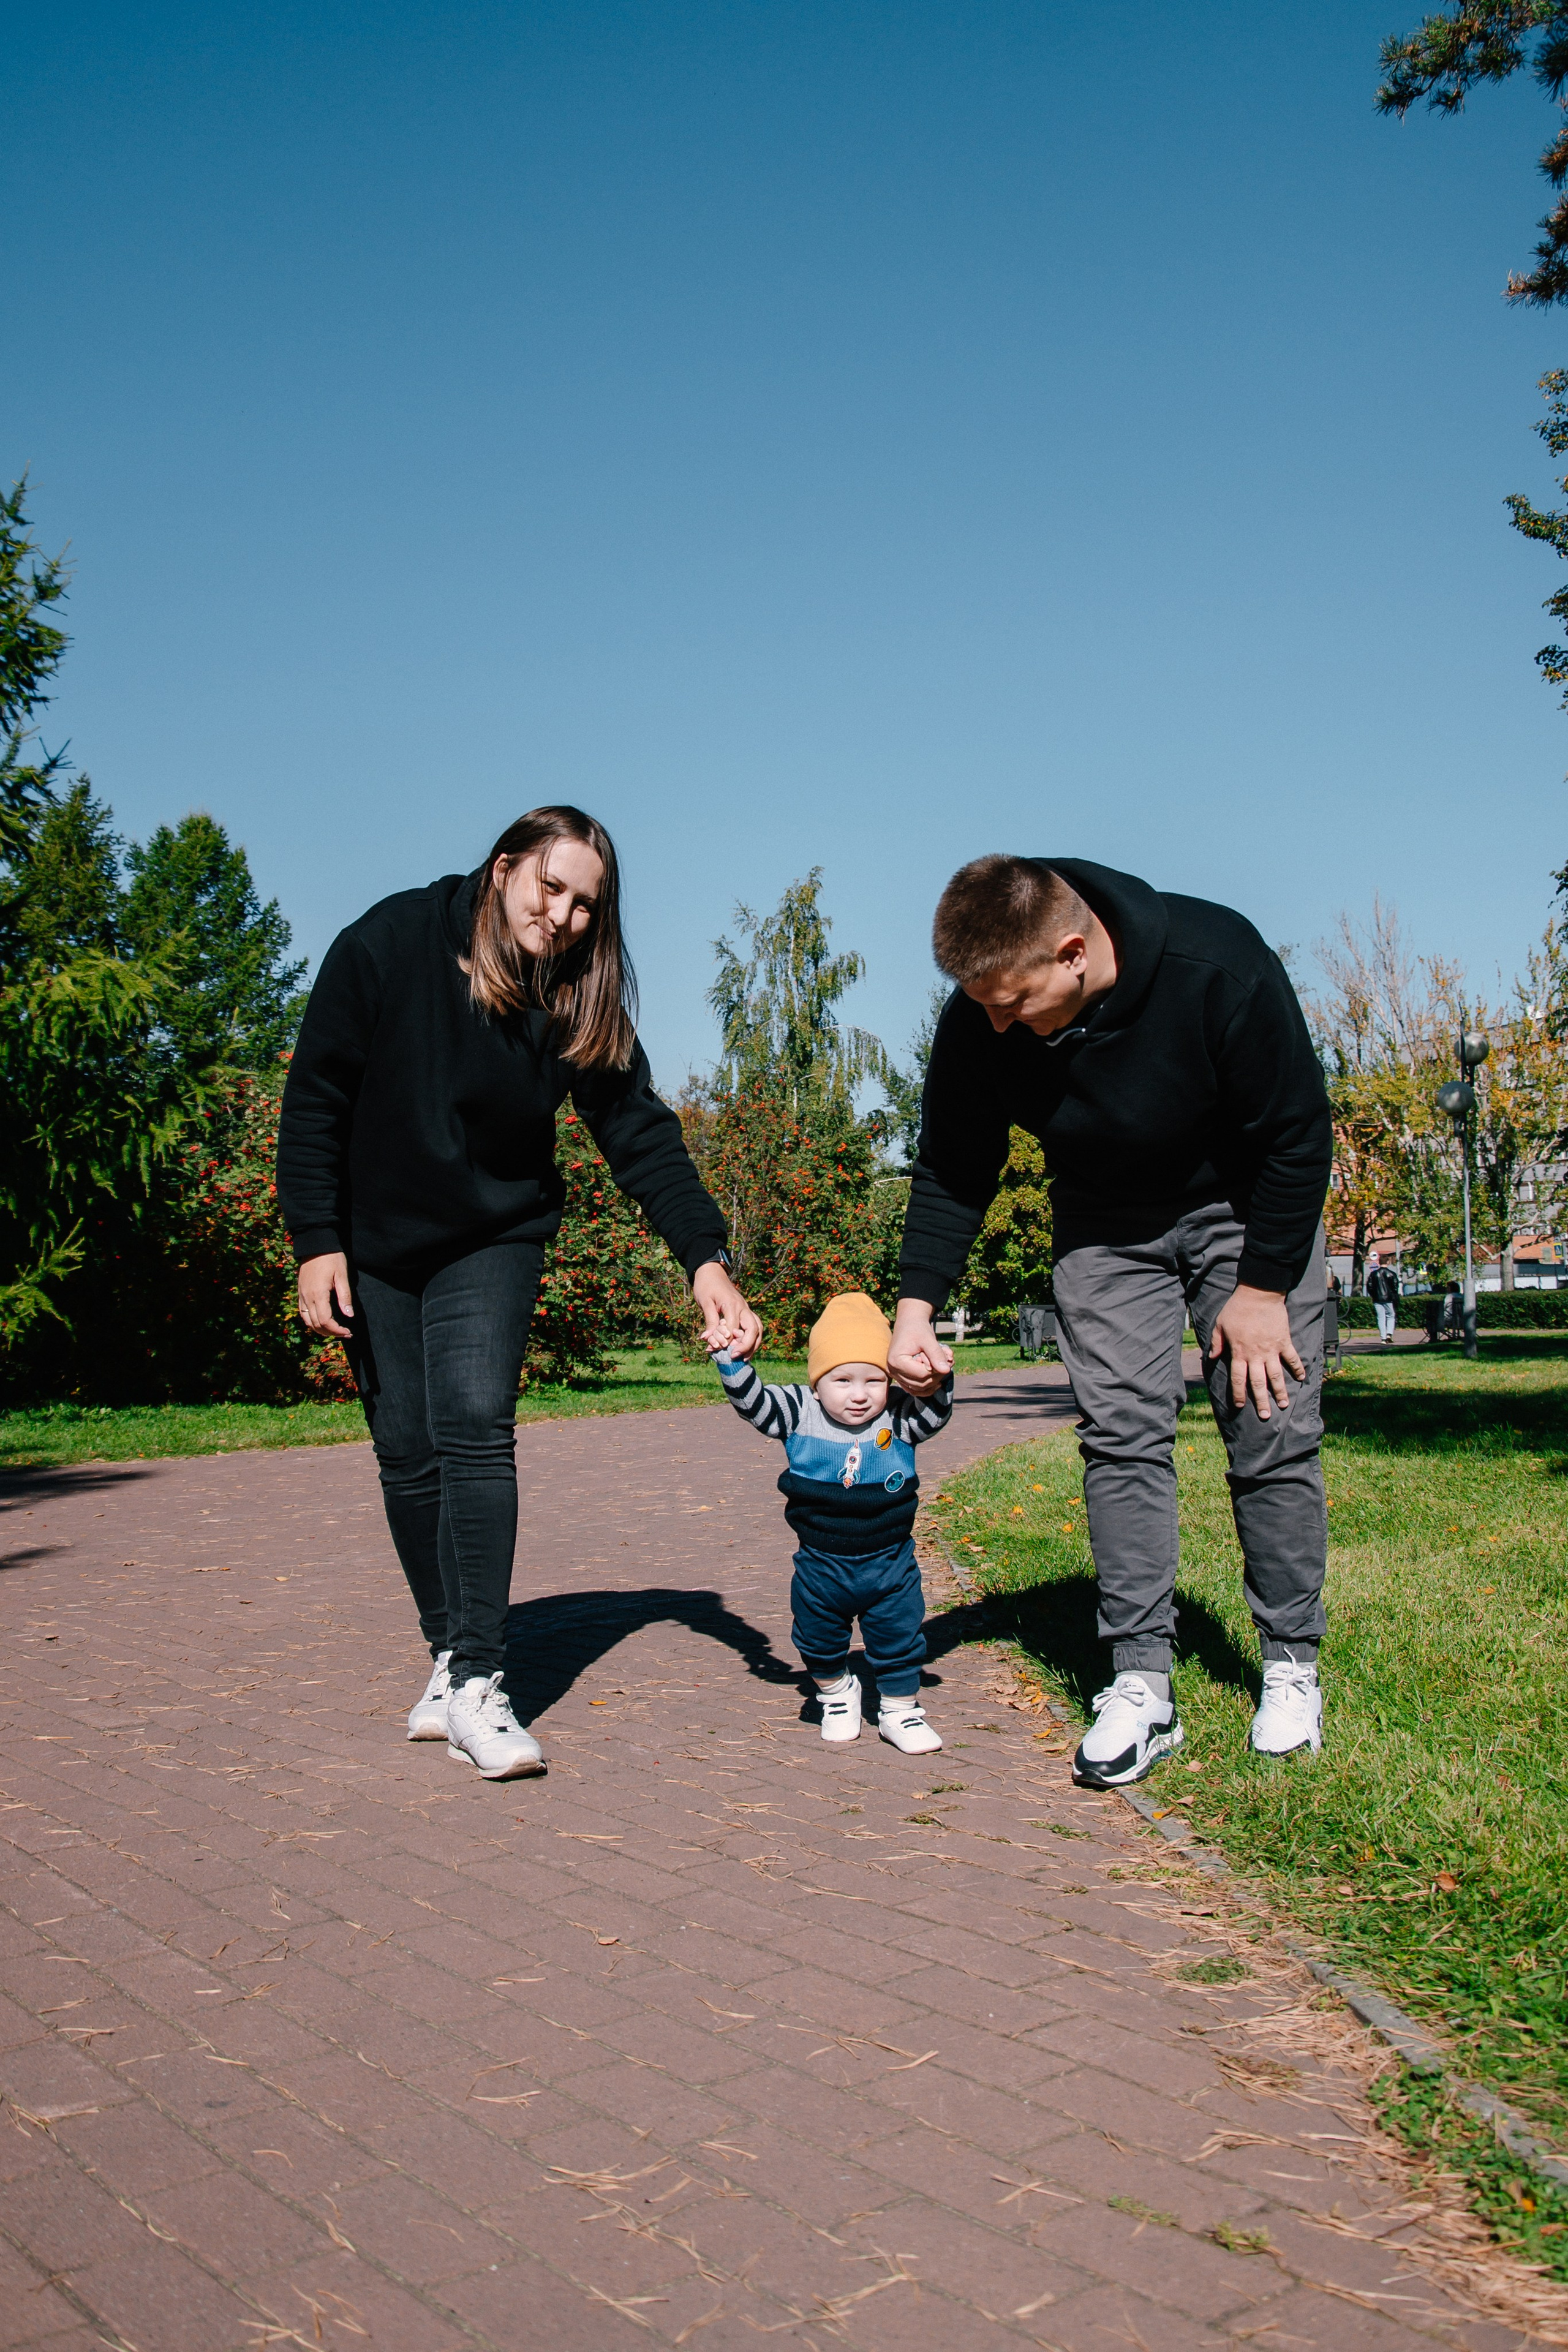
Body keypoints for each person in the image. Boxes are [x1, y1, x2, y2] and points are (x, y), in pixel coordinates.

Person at [276, 806, 760, 1779]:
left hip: (494, 1236)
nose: (566, 917)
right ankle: (449, 1653)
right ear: (503, 870)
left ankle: (481, 1683)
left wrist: (704, 1259)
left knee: (472, 1422)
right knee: (406, 1451)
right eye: (552, 888)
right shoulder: (388, 943)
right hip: (375, 1242)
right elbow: (317, 1096)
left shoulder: (573, 994)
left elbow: (638, 1132)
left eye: (586, 905)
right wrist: (316, 1241)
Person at [888, 856, 1333, 1785]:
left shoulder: (1220, 964)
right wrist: (915, 1307)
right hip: (1103, 1224)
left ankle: (1291, 1665)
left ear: (1074, 953)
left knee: (1269, 1424)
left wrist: (1260, 1292)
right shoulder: (981, 1015)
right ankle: (1141, 1684)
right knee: (1122, 1438)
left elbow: (1296, 1131)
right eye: (982, 1005)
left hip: (1244, 1206)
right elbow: (955, 1165)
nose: (998, 1023)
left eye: (1014, 1002)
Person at [711, 1292, 952, 1752]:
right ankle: (837, 1693)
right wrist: (729, 1356)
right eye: (842, 1380)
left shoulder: (899, 1415)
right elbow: (752, 1402)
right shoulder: (799, 1411)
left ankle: (900, 1710)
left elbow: (935, 1412)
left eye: (874, 1380)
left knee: (900, 1638)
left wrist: (937, 1373)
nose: (859, 1395)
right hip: (822, 1563)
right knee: (816, 1639)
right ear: (817, 1384)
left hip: (890, 1562)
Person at [1365, 1253, 1399, 1347]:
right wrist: (1394, 1296)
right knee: (1391, 1315)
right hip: (1389, 1299)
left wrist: (1374, 1295)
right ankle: (1389, 1334)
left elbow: (1369, 1286)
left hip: (1377, 1299)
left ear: (1379, 1262)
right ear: (1388, 1262)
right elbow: (1395, 1288)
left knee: (1381, 1318)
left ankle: (1383, 1338)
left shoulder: (1374, 1274)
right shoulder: (1392, 1274)